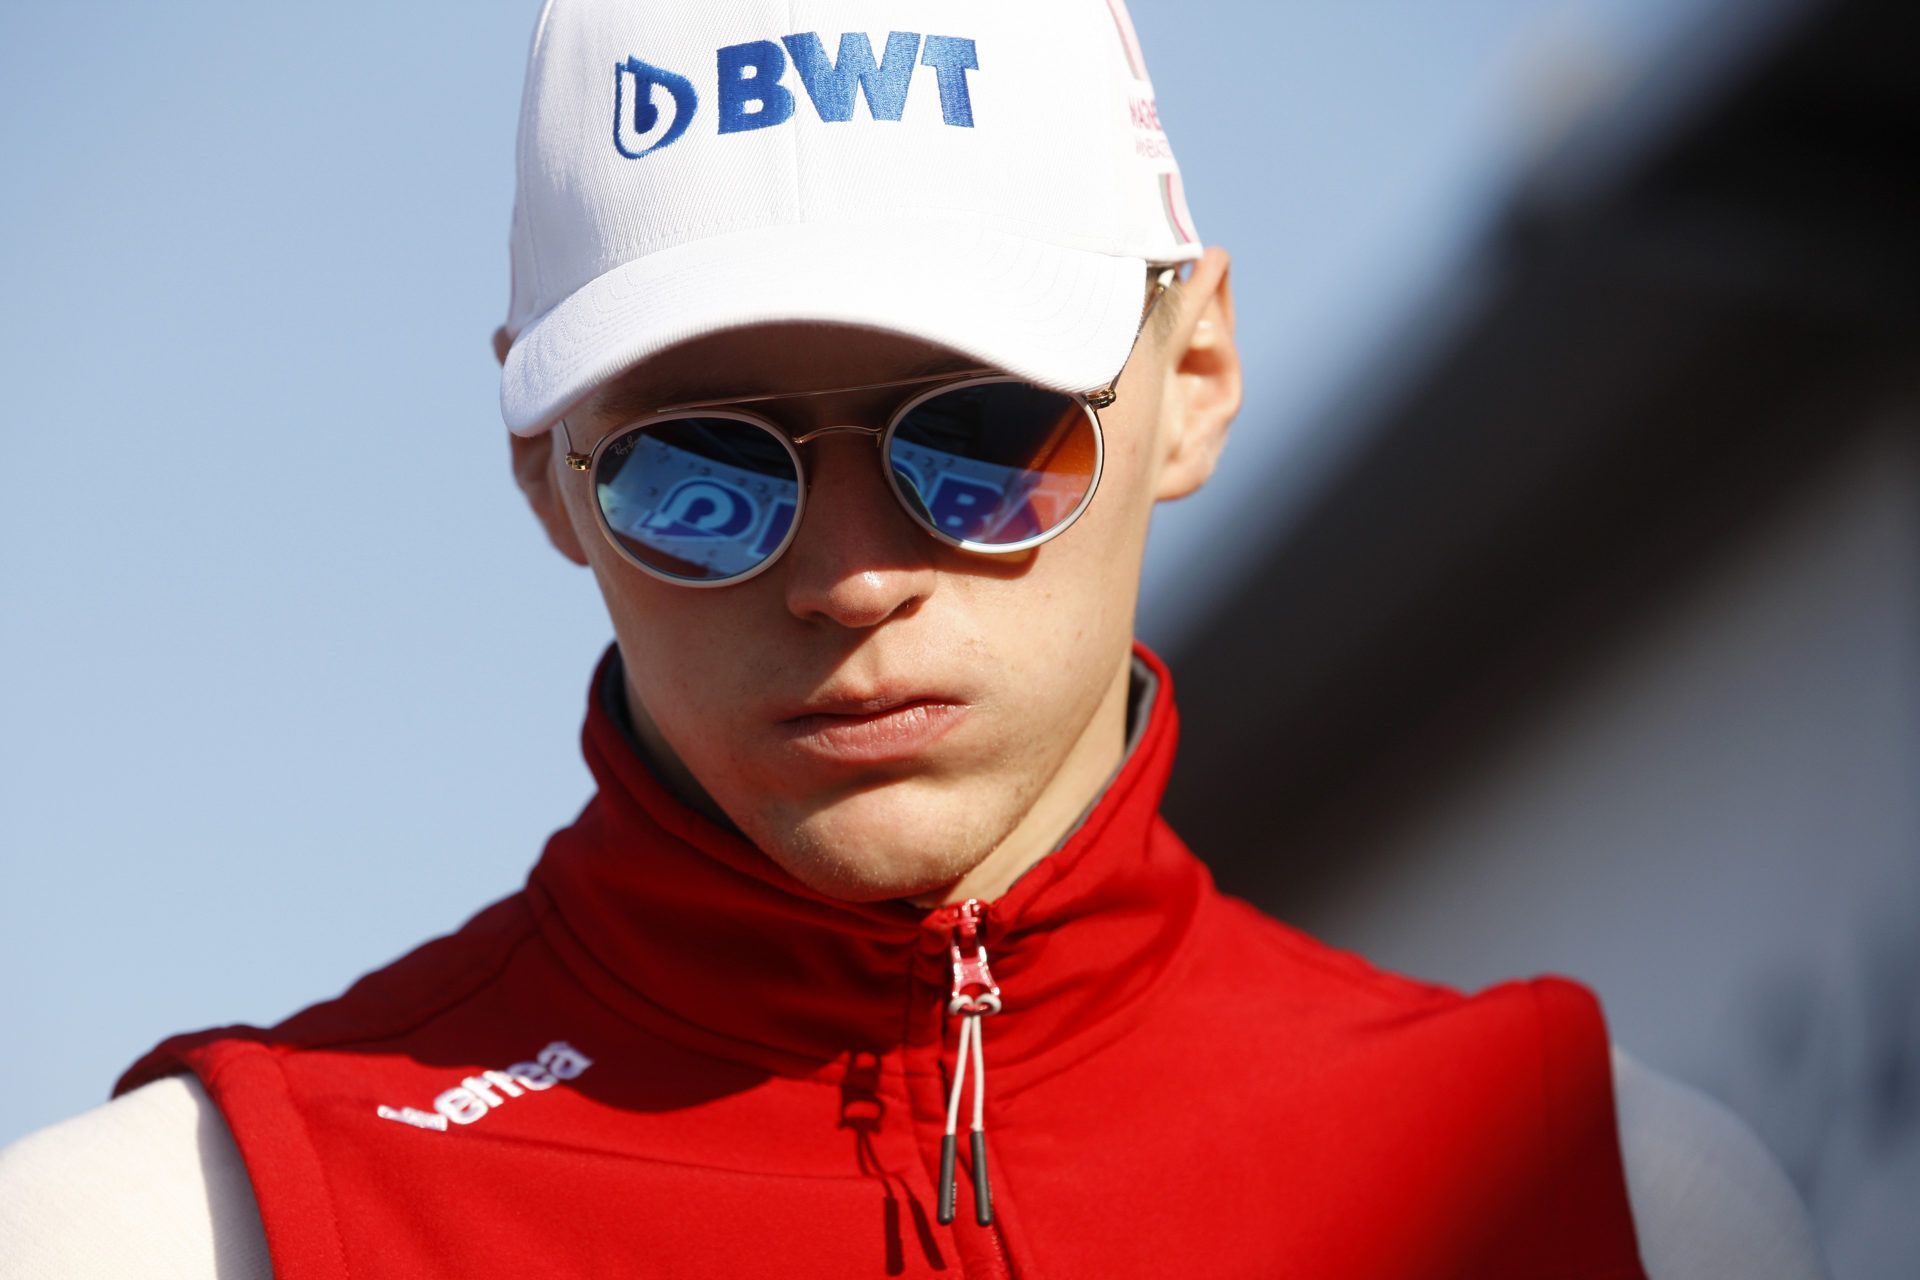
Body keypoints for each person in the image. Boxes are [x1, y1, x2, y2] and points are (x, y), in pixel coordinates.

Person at [0, 2, 1831, 1277]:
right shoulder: (182, 1233)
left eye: (983, 434)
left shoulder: (1622, 1207)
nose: (851, 577)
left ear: (1193, 374)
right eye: (699, 467)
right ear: (544, 468)